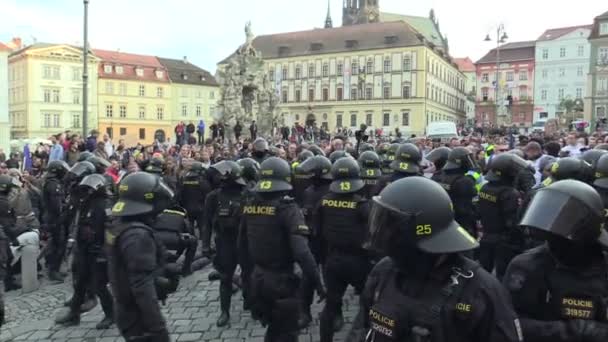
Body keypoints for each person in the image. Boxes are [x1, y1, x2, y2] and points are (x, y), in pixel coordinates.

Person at [348, 177, 523, 342]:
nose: (384, 233)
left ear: (419, 231)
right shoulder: (385, 270)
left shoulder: (480, 290)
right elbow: (363, 328)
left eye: (390, 225)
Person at [504, 180, 608, 342]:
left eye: (564, 221)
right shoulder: (527, 266)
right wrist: (573, 331)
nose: (553, 236)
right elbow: (510, 323)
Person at [106, 172, 178, 342]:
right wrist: (158, 329)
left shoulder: (118, 225)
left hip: (126, 310)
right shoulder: (138, 235)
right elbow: (142, 288)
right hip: (139, 318)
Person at [318, 157, 370, 342]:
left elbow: (318, 231)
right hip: (359, 262)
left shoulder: (324, 201)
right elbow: (370, 235)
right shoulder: (362, 205)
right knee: (368, 303)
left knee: (331, 305)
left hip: (333, 260)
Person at [55, 174, 114, 329]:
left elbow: (111, 229)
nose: (86, 192)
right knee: (80, 283)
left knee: (100, 285)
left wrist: (104, 251)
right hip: (85, 249)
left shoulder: (106, 205)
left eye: (89, 189)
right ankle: (74, 315)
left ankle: (111, 314)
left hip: (99, 251)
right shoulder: (85, 203)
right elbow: (78, 224)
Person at [204, 160, 246, 327]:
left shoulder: (246, 194)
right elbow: (206, 223)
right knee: (225, 278)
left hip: (244, 241)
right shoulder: (213, 197)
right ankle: (224, 311)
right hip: (224, 241)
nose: (219, 179)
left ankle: (250, 300)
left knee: (249, 275)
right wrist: (205, 244)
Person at [295, 155, 333, 328]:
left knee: (331, 277)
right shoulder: (308, 191)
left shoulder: (333, 190)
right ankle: (304, 311)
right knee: (307, 277)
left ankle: (335, 312)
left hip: (328, 241)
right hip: (311, 240)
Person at [478, 153, 526, 280]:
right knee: (503, 276)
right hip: (504, 241)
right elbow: (511, 222)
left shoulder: (485, 187)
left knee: (483, 274)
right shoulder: (510, 193)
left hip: (487, 236)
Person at [434, 147, 479, 237]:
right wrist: (474, 173)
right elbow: (472, 203)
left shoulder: (437, 176)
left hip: (442, 223)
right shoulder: (464, 182)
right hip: (462, 226)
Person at [42, 160, 70, 282]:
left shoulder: (51, 182)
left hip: (52, 218)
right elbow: (57, 206)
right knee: (58, 245)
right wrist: (67, 205)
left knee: (56, 243)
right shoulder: (54, 185)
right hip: (55, 219)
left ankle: (53, 268)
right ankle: (53, 271)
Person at [178, 161, 212, 255]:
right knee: (202, 228)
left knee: (190, 227)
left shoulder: (184, 180)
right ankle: (202, 247)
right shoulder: (202, 181)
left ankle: (192, 245)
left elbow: (180, 194)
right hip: (201, 208)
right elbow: (208, 194)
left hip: (188, 208)